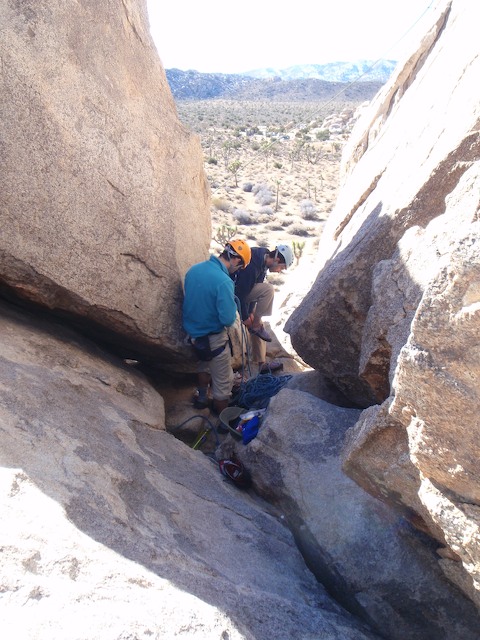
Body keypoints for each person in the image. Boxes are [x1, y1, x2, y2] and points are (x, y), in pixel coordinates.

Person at [182, 239, 251, 415]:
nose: (238, 270)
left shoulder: (194, 270)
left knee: (203, 365)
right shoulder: (223, 282)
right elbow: (228, 319)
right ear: (236, 260)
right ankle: (222, 421)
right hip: (214, 339)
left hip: (194, 336)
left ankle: (202, 398)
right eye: (240, 266)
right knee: (223, 383)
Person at [232, 243, 294, 374]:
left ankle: (262, 363)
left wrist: (251, 313)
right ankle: (254, 326)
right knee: (268, 289)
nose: (279, 271)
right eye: (281, 268)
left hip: (241, 293)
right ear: (277, 260)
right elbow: (240, 293)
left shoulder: (262, 259)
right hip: (232, 294)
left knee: (258, 323)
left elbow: (253, 290)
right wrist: (245, 316)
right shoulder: (252, 265)